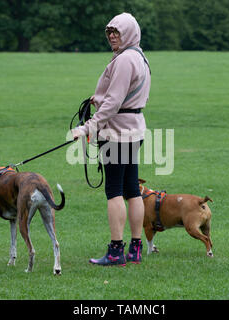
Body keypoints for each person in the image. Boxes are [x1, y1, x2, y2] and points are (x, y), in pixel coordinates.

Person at [72, 12, 151, 266]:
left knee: (114, 191)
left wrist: (88, 127)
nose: (112, 36)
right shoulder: (138, 56)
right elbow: (124, 97)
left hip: (117, 133)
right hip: (134, 129)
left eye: (117, 32)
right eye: (109, 33)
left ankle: (116, 250)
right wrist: (101, 99)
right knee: (131, 190)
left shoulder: (125, 60)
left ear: (128, 33)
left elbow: (115, 102)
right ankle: (135, 249)